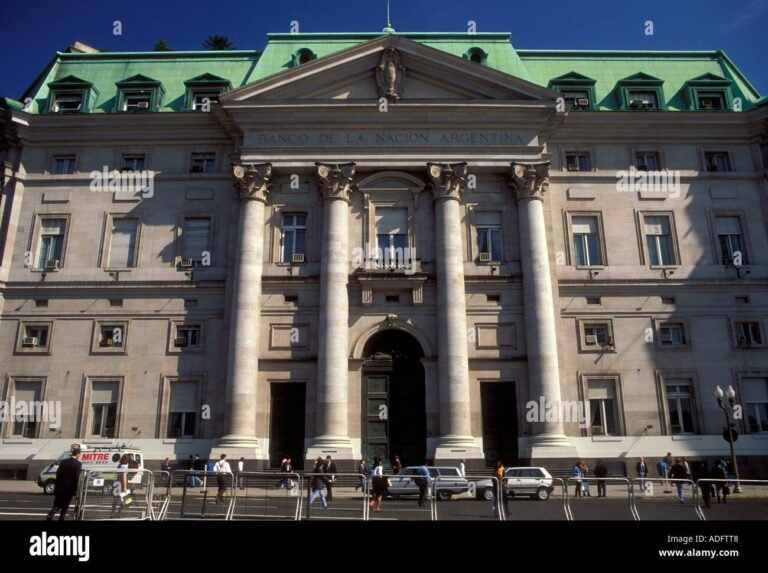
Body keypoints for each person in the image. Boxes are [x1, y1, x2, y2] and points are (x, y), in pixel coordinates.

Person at [47, 447, 82, 521]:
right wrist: (76, 489)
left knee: (56, 503)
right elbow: (76, 477)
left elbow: (58, 473)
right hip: (69, 489)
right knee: (65, 505)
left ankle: (51, 515)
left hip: (60, 487)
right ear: (78, 454)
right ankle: (61, 518)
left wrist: (58, 484)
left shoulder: (63, 462)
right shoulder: (78, 464)